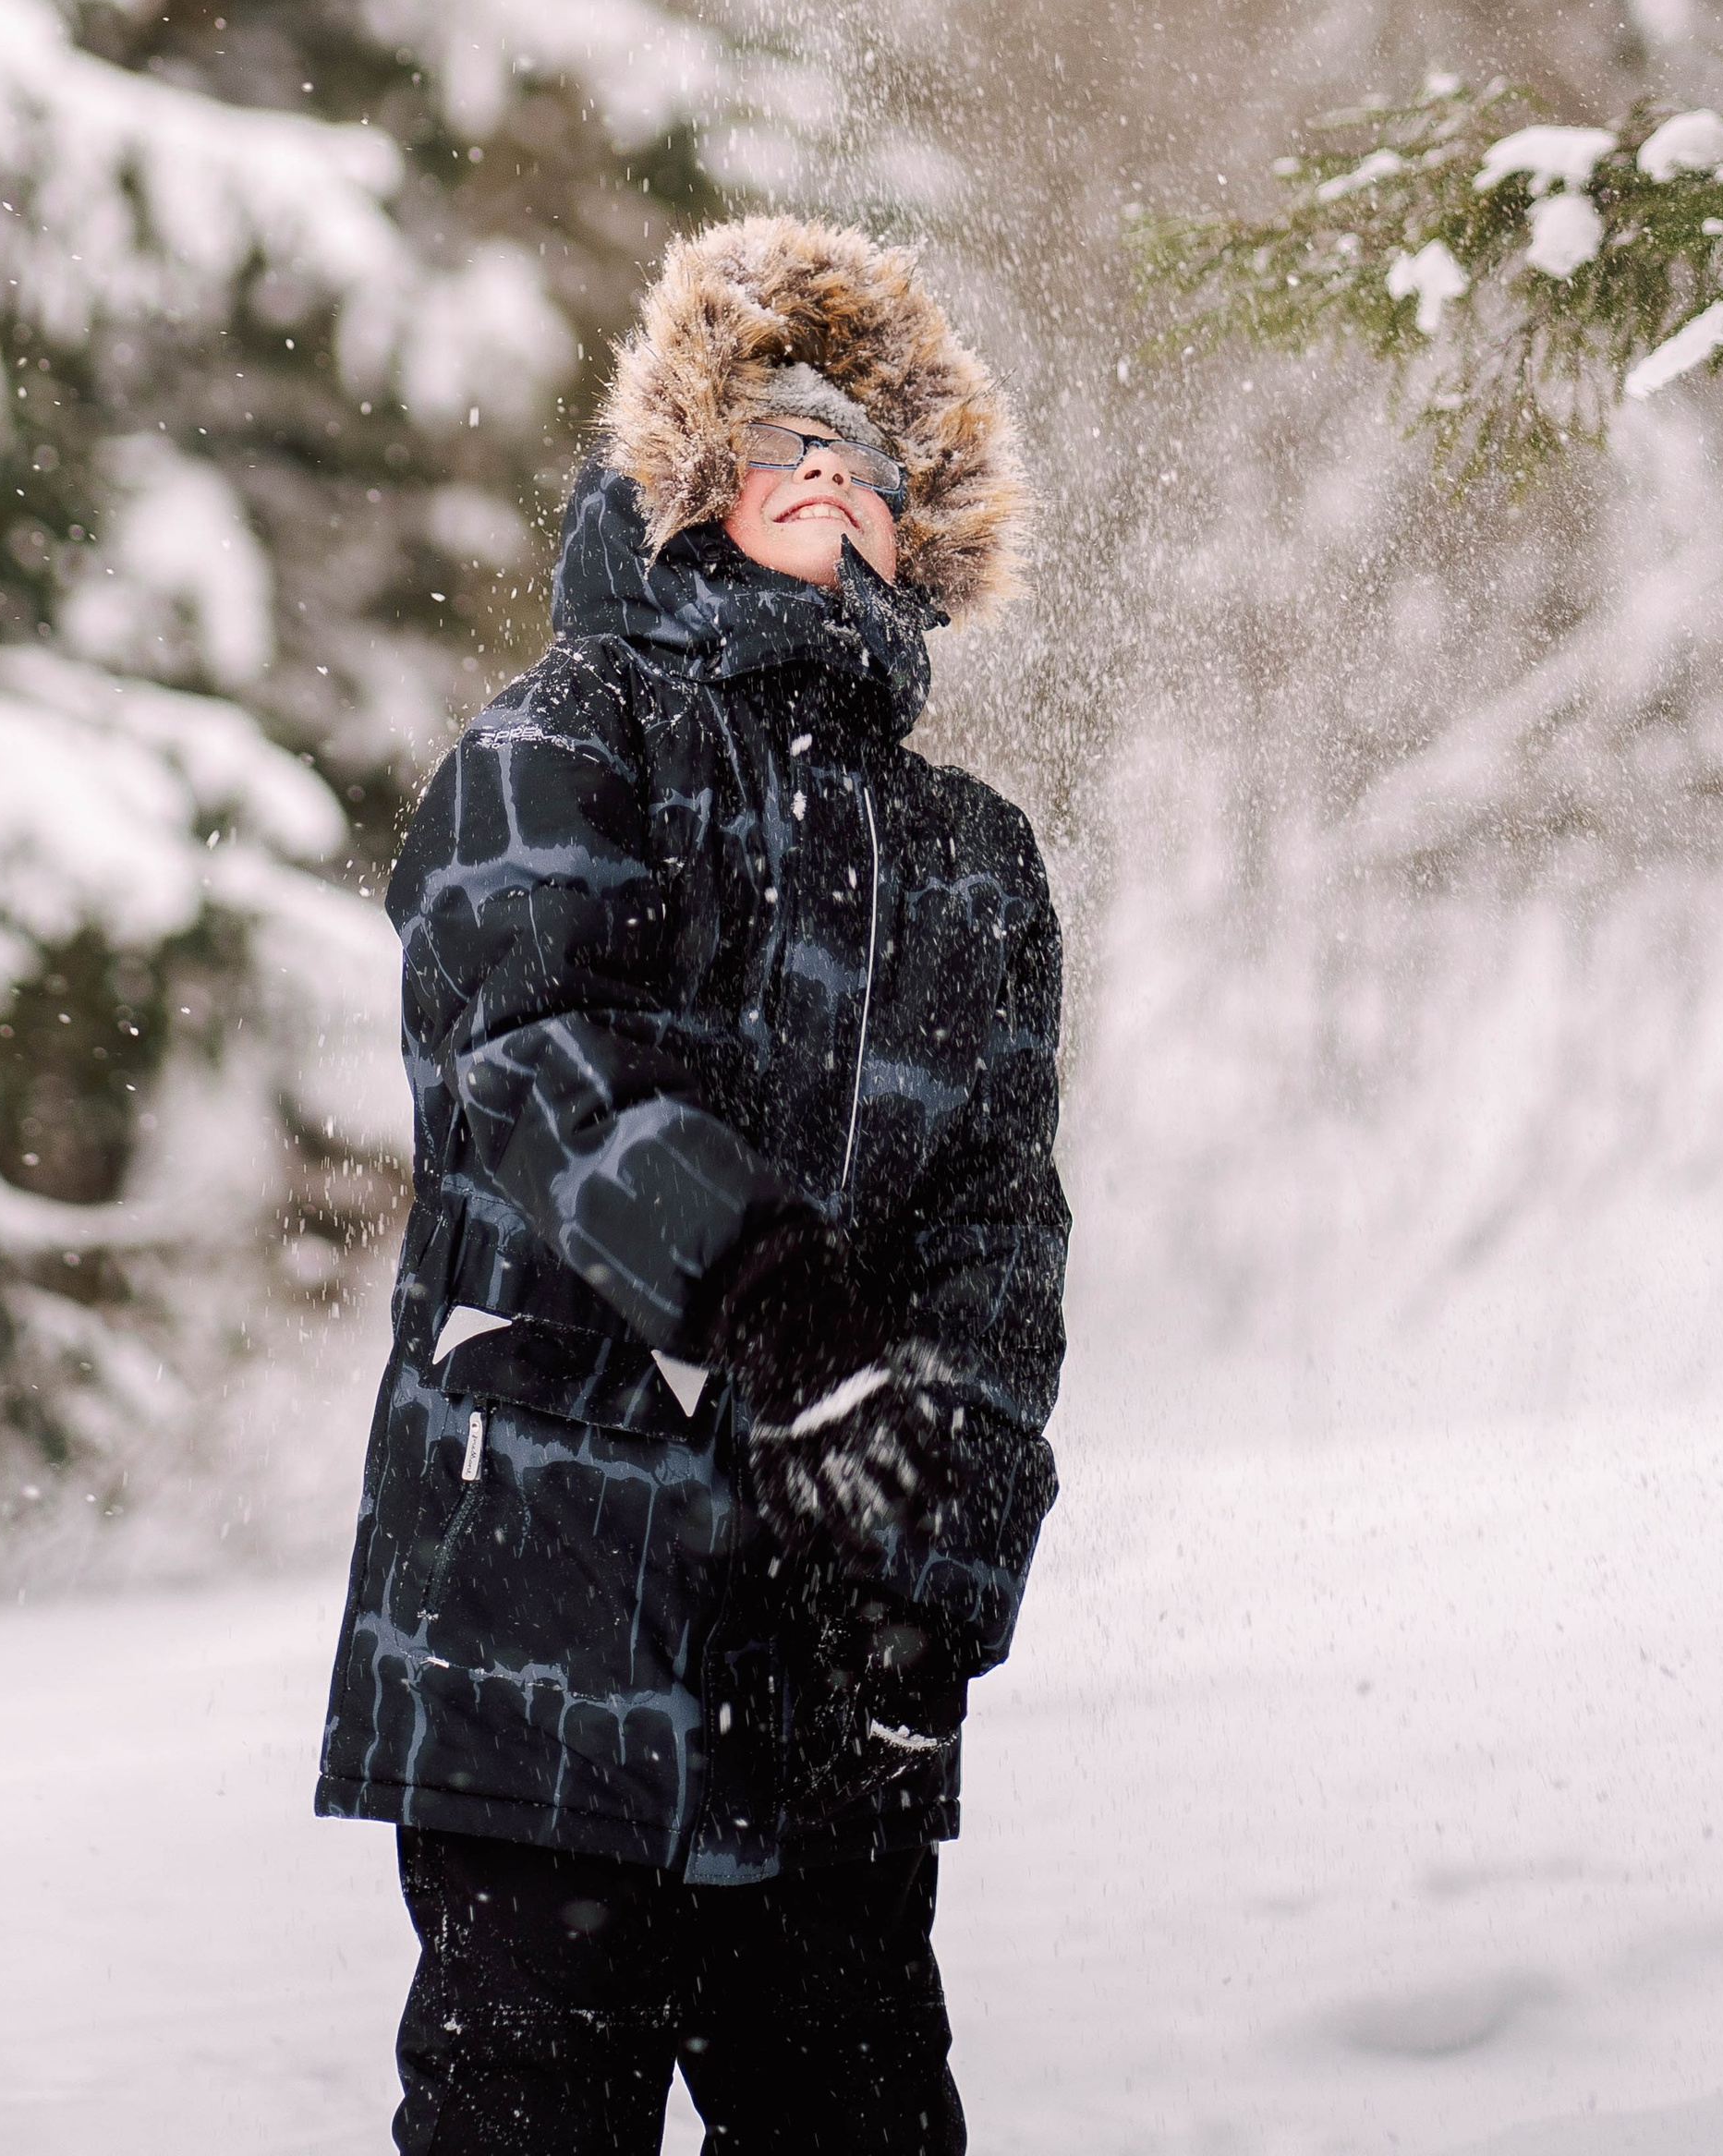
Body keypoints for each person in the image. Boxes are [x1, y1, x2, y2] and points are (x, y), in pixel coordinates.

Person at [318, 214, 1070, 2155]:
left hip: (818, 1685)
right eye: (776, 432)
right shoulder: (566, 736)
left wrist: (934, 1595)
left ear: (924, 531)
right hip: (542, 1626)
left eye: (870, 451)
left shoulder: (974, 859)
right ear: (688, 481)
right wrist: (763, 1300)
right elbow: (536, 1052)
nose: (827, 463)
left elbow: (997, 1234)